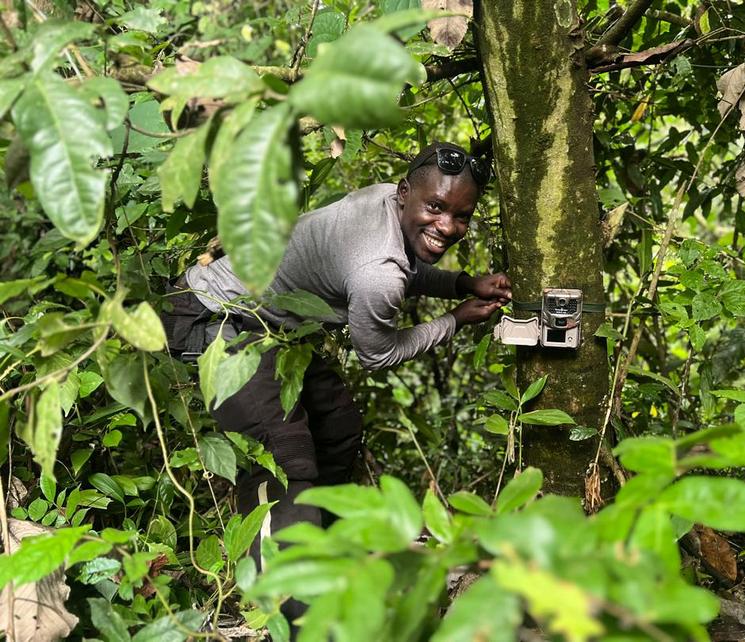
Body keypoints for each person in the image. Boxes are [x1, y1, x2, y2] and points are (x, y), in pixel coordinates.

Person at [161, 141, 511, 614]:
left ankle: (320, 560)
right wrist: (454, 320)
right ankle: (291, 606)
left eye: (461, 215)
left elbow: (402, 263)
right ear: (406, 192)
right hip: (210, 318)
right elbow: (377, 352)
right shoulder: (377, 272)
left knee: (337, 425)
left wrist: (462, 284)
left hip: (274, 329)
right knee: (281, 455)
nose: (447, 226)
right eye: (436, 207)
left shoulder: (388, 202)